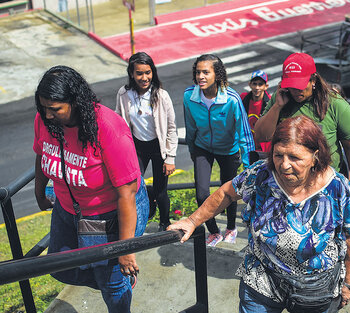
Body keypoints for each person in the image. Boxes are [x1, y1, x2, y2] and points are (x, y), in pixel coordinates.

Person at [169, 116, 350, 313]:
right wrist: (192, 221)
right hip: (262, 277)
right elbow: (227, 192)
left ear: (315, 156)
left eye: (294, 157)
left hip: (315, 287)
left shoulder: (337, 186)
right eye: (278, 155)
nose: (284, 165)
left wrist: (349, 282)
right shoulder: (260, 174)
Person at [34, 66, 149, 313]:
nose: (48, 115)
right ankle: (116, 280)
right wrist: (39, 191)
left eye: (55, 109)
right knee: (59, 267)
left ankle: (117, 283)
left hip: (109, 213)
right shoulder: (45, 120)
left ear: (75, 102)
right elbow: (42, 153)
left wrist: (125, 249)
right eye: (43, 108)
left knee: (111, 283)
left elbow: (126, 193)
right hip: (67, 208)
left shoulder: (108, 127)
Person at [255, 52, 350, 206]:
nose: (296, 91)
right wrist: (278, 106)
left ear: (313, 80)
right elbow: (260, 136)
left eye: (300, 86)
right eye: (291, 87)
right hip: (288, 184)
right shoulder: (281, 99)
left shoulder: (336, 105)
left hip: (325, 186)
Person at [183, 54, 255, 247]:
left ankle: (231, 227)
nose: (201, 76)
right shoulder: (189, 96)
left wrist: (249, 167)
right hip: (202, 148)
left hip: (228, 150)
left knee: (229, 192)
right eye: (198, 72)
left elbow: (244, 134)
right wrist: (192, 150)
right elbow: (190, 127)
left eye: (206, 72)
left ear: (218, 74)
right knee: (201, 194)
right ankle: (213, 231)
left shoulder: (231, 99)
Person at [115, 52, 178, 232]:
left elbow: (172, 128)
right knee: (133, 187)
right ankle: (137, 223)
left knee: (160, 191)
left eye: (148, 73)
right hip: (137, 148)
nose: (144, 78)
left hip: (158, 149)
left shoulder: (161, 95)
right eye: (139, 73)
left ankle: (165, 223)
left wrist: (170, 158)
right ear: (132, 74)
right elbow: (119, 121)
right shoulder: (124, 94)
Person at [240, 69, 271, 163]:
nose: (257, 87)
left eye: (260, 84)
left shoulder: (270, 102)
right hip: (248, 144)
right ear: (250, 85)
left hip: (263, 146)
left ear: (266, 86)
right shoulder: (243, 98)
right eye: (254, 84)